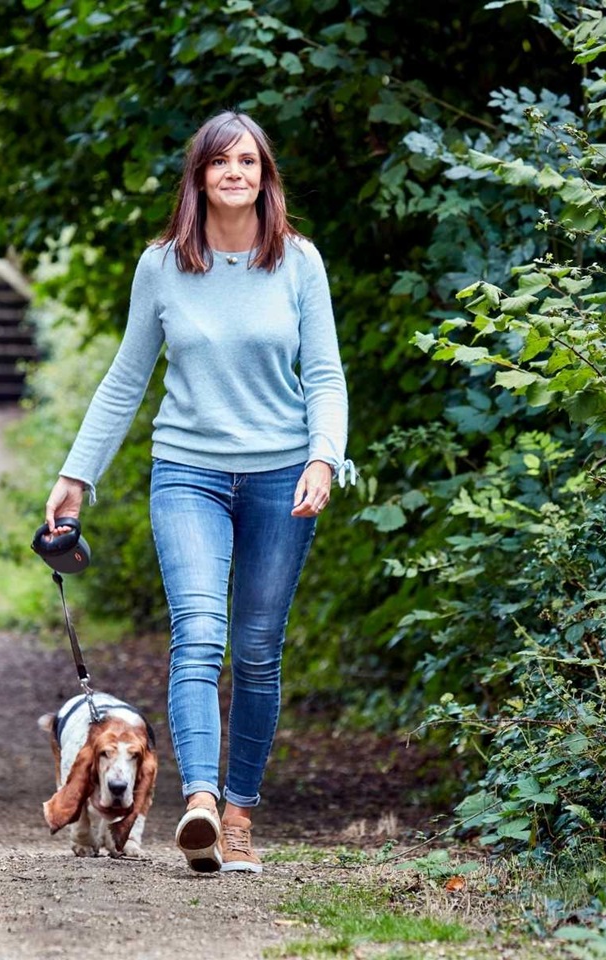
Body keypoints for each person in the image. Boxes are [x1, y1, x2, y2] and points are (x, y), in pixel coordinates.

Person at [43, 111, 356, 874]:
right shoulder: (163, 266)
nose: (236, 173)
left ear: (264, 175)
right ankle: (201, 804)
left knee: (255, 649)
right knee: (199, 633)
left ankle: (241, 813)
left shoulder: (299, 262)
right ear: (200, 176)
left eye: (249, 161)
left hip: (284, 475)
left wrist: (325, 457)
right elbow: (125, 380)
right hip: (187, 470)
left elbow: (323, 376)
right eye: (222, 162)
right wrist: (75, 475)